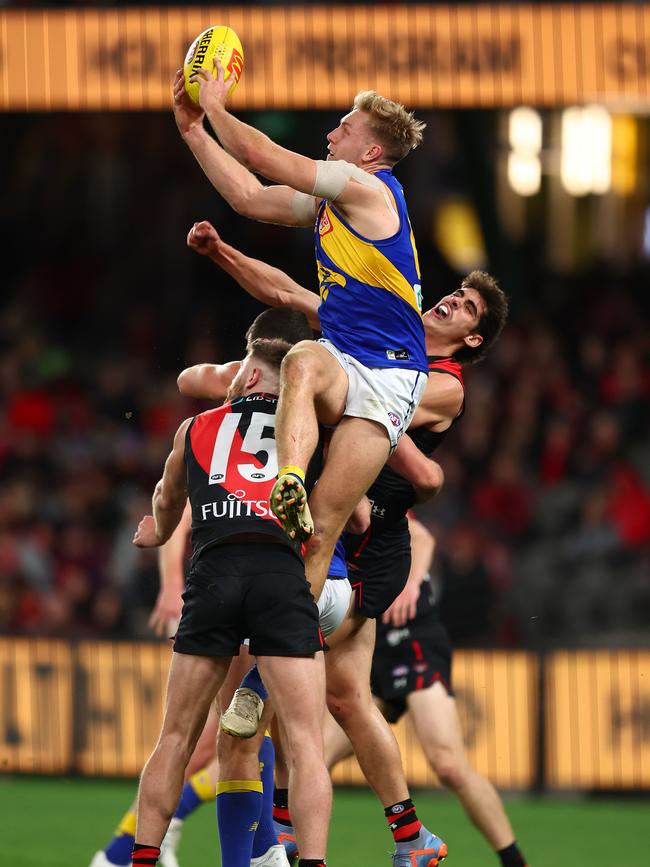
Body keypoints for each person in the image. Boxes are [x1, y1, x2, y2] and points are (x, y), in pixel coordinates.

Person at [185, 221, 507, 867]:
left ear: (470, 338)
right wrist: (222, 253)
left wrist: (326, 378)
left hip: (371, 546)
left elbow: (377, 415)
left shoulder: (444, 383)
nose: (449, 300)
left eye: (466, 307)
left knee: (291, 679)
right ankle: (410, 836)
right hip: (330, 528)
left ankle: (272, 832)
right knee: (346, 699)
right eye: (453, 292)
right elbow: (284, 290)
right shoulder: (380, 332)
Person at [174, 66, 429, 615]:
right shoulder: (332, 204)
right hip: (346, 358)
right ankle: (289, 482)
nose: (332, 135)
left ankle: (266, 679)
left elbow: (266, 159)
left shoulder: (366, 187)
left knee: (326, 530)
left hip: (392, 375)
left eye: (345, 128)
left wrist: (217, 107)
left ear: (370, 153)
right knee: (302, 360)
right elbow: (249, 196)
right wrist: (194, 130)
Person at [89, 308, 315, 867]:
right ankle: (290, 857)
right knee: (301, 743)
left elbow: (167, 504)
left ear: (254, 373)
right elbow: (351, 509)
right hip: (282, 576)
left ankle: (134, 857)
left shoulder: (196, 428)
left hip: (213, 577)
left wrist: (155, 534)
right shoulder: (310, 423)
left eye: (243, 369)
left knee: (177, 739)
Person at [327, 513, 529, 867]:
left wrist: (411, 584)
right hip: (371, 648)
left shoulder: (362, 478)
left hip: (413, 641)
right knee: (315, 753)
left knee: (448, 764)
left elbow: (422, 537)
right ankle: (288, 850)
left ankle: (515, 861)